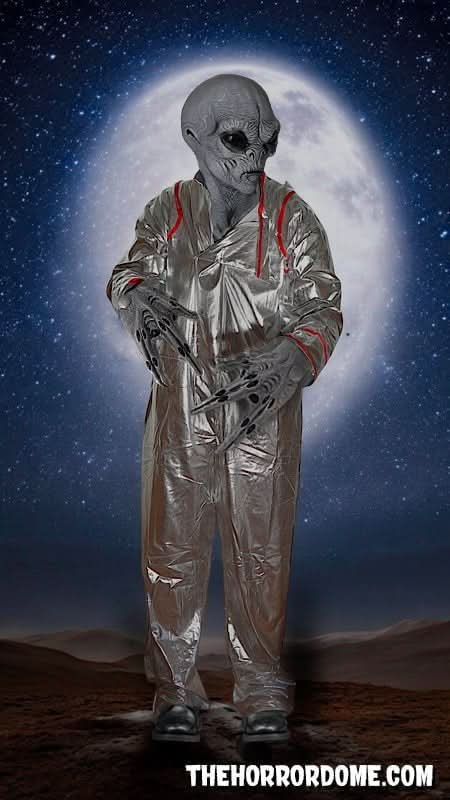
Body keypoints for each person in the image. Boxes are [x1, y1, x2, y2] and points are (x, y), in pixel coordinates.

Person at [106, 73, 343, 744]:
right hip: (180, 404)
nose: (257, 157)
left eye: (268, 140)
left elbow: (324, 305)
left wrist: (292, 357)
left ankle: (262, 693)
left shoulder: (291, 216)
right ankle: (175, 691)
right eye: (238, 140)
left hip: (262, 405)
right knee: (171, 548)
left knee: (261, 552)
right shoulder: (169, 210)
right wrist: (138, 298)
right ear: (193, 138)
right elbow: (129, 272)